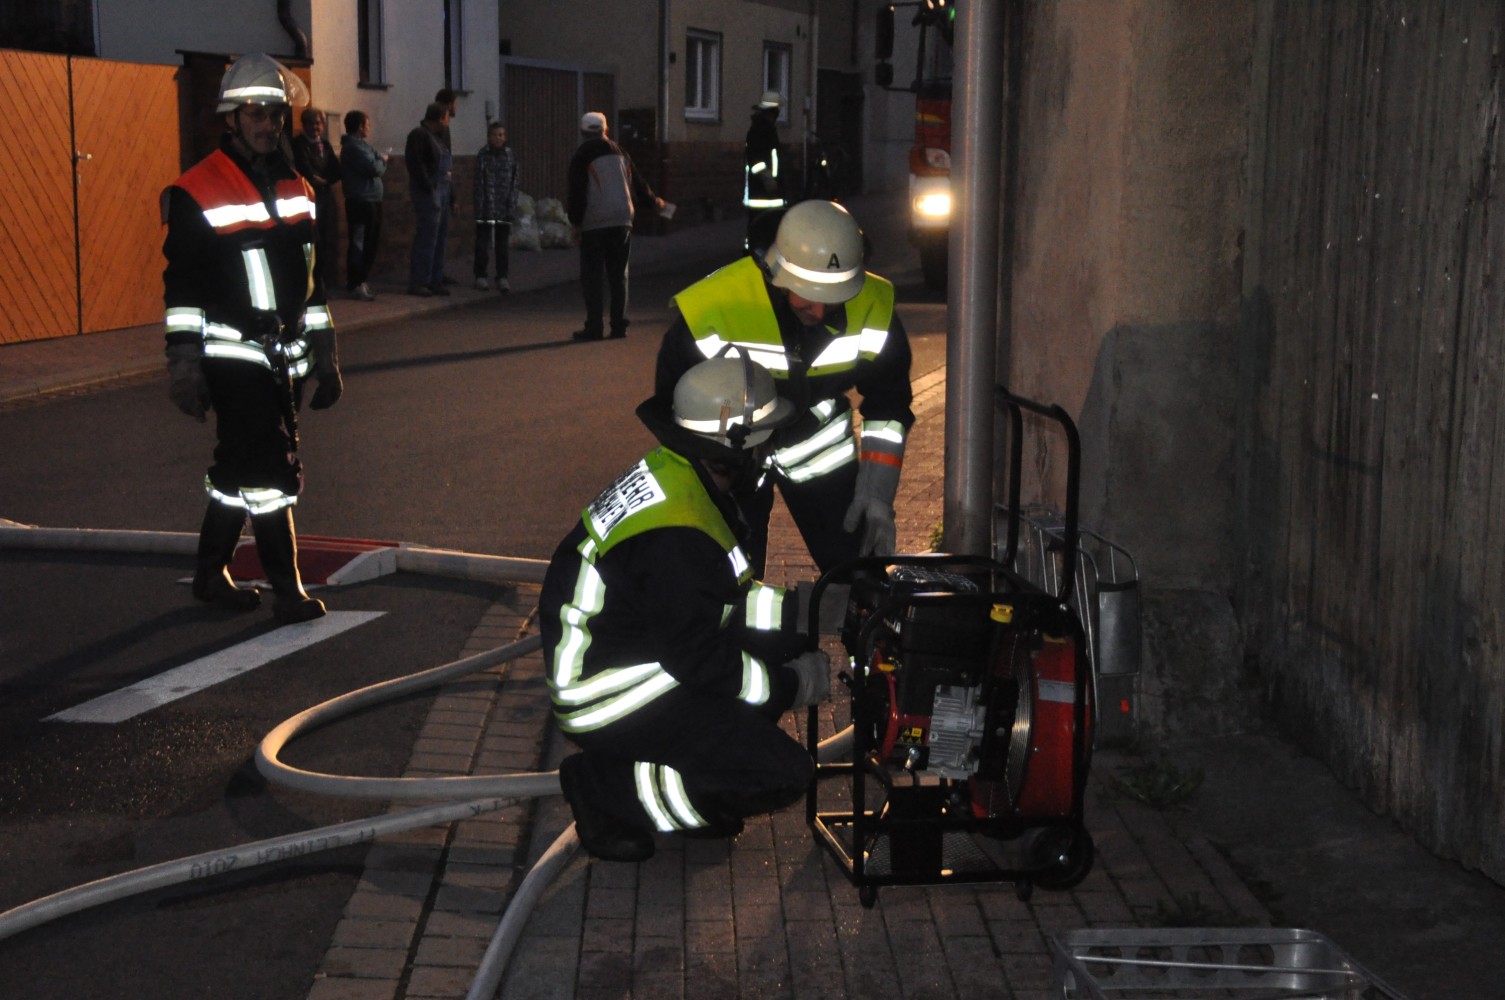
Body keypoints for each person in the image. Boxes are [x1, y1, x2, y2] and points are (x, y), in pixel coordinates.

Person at [540, 353, 833, 862]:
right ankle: (603, 786)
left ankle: (696, 777)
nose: (769, 451)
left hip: (629, 652)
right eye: (764, 440)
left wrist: (810, 612)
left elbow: (722, 601)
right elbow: (698, 657)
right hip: (609, 695)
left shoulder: (681, 475)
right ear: (734, 445)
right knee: (782, 774)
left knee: (779, 650)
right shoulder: (679, 533)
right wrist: (791, 686)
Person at [160, 52, 342, 626]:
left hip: (282, 356)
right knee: (269, 469)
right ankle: (287, 590)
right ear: (231, 119)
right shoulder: (197, 189)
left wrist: (326, 355)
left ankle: (210, 574)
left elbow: (312, 281)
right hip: (231, 352)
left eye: (275, 113)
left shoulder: (298, 185)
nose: (268, 124)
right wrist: (184, 364)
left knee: (238, 464)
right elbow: (182, 286)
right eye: (256, 114)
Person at [654, 199, 913, 576]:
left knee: (858, 572)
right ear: (778, 274)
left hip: (820, 453)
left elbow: (888, 406)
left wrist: (877, 494)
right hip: (731, 460)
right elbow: (674, 414)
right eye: (808, 297)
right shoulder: (713, 308)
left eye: (832, 300)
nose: (819, 313)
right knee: (725, 578)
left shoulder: (873, 304)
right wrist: (701, 487)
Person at [565, 111, 664, 341]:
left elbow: (577, 192)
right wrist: (654, 202)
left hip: (595, 221)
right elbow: (638, 183)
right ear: (605, 129)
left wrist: (576, 222)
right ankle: (619, 325)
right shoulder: (620, 152)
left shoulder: (581, 155)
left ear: (582, 132)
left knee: (593, 276)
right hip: (622, 218)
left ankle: (594, 327)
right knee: (619, 274)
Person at [290, 107, 343, 292]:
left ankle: (325, 281)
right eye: (311, 123)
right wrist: (315, 178)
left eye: (318, 123)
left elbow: (337, 169)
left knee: (327, 239)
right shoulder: (298, 144)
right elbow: (305, 169)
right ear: (304, 125)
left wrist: (325, 180)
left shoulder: (325, 145)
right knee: (311, 240)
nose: (315, 127)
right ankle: (310, 282)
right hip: (307, 198)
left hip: (326, 197)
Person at [404, 101, 453, 297]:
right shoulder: (419, 135)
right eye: (447, 119)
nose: (448, 123)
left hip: (442, 190)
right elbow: (415, 164)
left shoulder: (437, 137)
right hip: (429, 191)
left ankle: (434, 279)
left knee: (439, 237)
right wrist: (428, 187)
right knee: (427, 237)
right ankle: (420, 281)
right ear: (440, 118)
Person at [339, 109, 387, 301]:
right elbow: (374, 168)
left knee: (371, 242)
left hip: (373, 200)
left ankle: (362, 279)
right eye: (367, 125)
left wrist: (378, 160)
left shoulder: (364, 146)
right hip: (360, 201)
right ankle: (355, 282)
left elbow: (375, 160)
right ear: (360, 127)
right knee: (360, 242)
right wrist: (382, 161)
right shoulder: (352, 148)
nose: (369, 128)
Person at [473, 121, 519, 292]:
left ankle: (502, 276)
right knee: (482, 243)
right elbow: (478, 182)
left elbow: (515, 182)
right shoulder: (483, 155)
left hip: (504, 207)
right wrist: (479, 206)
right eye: (494, 135)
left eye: (501, 135)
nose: (498, 138)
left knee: (502, 244)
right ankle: (480, 275)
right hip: (486, 206)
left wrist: (511, 204)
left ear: (505, 137)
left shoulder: (510, 156)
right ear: (489, 137)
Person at [743, 89, 787, 252]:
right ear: (773, 111)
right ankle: (754, 253)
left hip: (769, 194)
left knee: (766, 230)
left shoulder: (766, 129)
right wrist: (768, 178)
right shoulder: (760, 131)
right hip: (761, 194)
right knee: (760, 229)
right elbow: (756, 160)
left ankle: (759, 251)